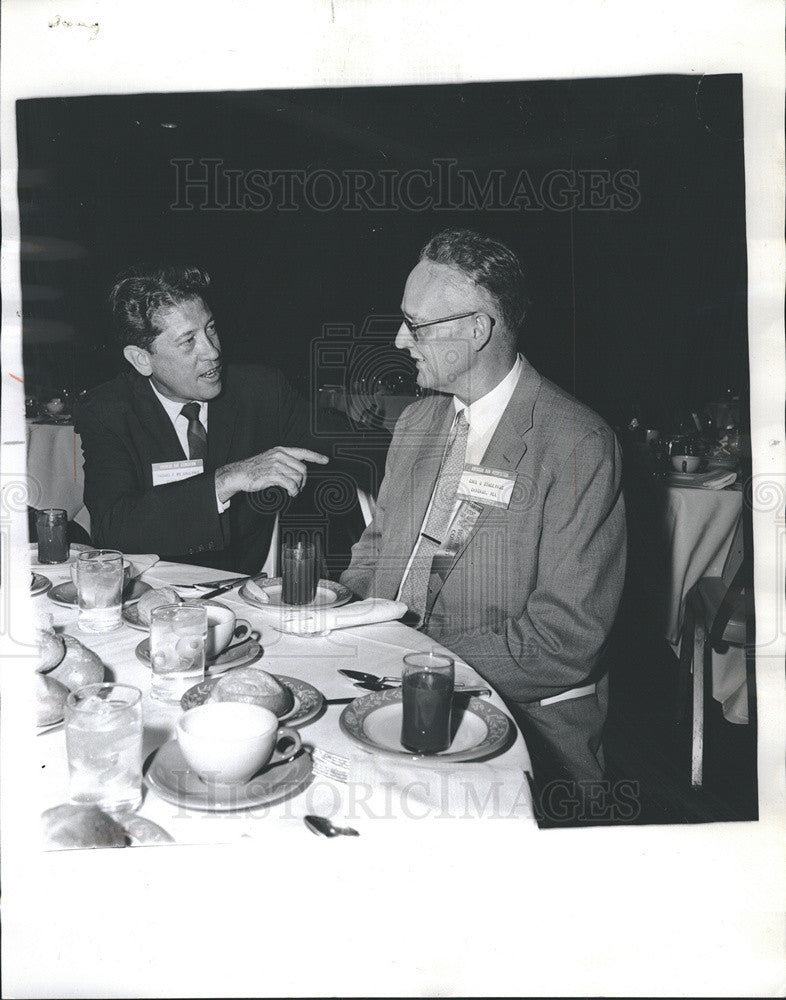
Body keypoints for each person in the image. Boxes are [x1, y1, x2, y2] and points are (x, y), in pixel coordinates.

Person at [340, 229, 627, 788]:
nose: (400, 340)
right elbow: (377, 545)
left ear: (476, 331)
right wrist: (343, 614)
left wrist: (406, 657)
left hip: (520, 724)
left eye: (417, 325)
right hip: (383, 689)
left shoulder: (578, 444)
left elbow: (562, 645)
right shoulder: (416, 423)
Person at [75, 264, 330, 574]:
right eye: (188, 341)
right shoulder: (107, 410)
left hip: (240, 585)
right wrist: (224, 481)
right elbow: (112, 528)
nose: (212, 351)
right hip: (152, 585)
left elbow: (352, 444)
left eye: (210, 328)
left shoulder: (262, 392)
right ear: (142, 359)